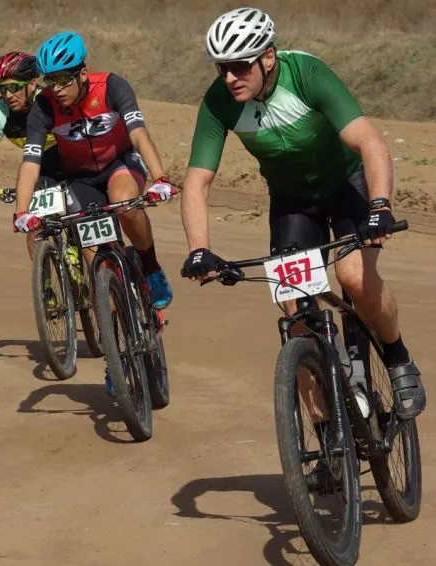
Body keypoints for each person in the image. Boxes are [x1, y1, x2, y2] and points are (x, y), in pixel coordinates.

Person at [179, 8, 425, 423]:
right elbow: (196, 182)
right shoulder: (219, 102)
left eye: (240, 66)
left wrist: (380, 205)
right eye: (222, 67)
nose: (229, 77)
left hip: (347, 186)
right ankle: (326, 433)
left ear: (268, 57)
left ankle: (397, 356)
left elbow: (370, 143)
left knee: (352, 278)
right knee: (295, 315)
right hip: (293, 202)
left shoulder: (307, 74)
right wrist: (199, 249)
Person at [12, 31, 176, 312]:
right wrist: (21, 211)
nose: (57, 88)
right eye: (50, 81)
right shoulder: (44, 106)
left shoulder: (112, 86)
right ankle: (119, 339)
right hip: (81, 178)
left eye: (63, 79)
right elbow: (31, 160)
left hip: (119, 163)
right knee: (99, 271)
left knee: (124, 204)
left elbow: (138, 134)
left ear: (83, 73)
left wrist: (161, 179)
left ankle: (151, 268)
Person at [0, 51, 67, 259]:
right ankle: (44, 286)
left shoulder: (52, 102)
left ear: (32, 84)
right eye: (3, 88)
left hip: (73, 160)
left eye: (14, 87)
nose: (8, 95)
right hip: (40, 167)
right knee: (33, 223)